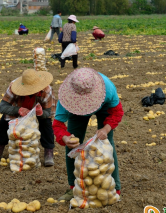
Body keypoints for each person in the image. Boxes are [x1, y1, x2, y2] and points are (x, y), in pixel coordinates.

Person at [52, 68, 124, 201]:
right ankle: (73, 187)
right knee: (72, 144)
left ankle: (114, 187)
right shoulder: (66, 98)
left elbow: (117, 112)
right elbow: (57, 124)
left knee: (108, 142)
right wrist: (65, 137)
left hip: (104, 106)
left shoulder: (107, 88)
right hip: (75, 111)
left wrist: (106, 129)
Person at [0, 69, 56, 167]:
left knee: (46, 123)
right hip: (18, 109)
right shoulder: (13, 87)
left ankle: (49, 153)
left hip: (39, 111)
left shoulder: (46, 90)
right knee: (4, 122)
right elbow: (2, 107)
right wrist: (17, 110)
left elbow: (48, 112)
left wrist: (41, 113)